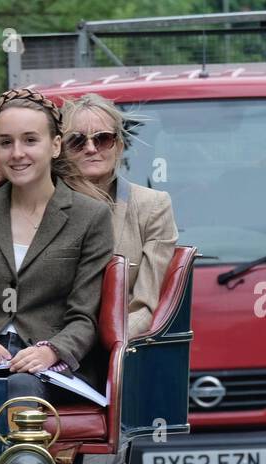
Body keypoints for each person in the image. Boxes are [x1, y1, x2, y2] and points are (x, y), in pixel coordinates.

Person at [0, 88, 115, 399]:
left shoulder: (91, 217)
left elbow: (85, 316)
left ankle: (26, 452)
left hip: (54, 367)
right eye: (6, 142)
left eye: (30, 140)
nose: (17, 153)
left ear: (55, 145)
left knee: (21, 388)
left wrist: (51, 351)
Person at [61, 92, 178, 340]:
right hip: (45, 350)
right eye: (77, 141)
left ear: (119, 146)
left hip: (114, 349)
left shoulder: (153, 206)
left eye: (103, 139)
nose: (91, 149)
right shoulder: (42, 205)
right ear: (60, 149)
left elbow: (146, 305)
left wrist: (108, 345)